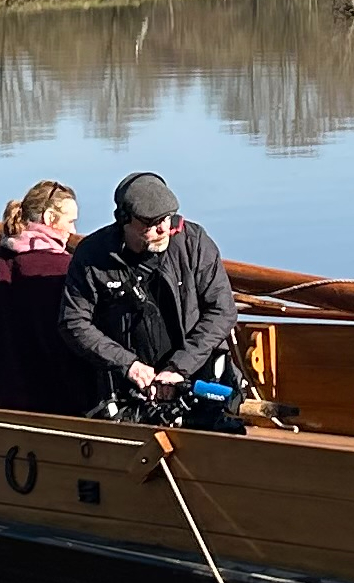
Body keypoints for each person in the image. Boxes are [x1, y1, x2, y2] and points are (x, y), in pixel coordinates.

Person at [61, 172, 241, 413]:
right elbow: (73, 321)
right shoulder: (92, 256)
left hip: (196, 379)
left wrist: (179, 368)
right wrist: (128, 365)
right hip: (126, 388)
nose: (163, 229)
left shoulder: (194, 243)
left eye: (167, 219)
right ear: (125, 219)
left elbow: (222, 311)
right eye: (151, 222)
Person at [0, 180, 105, 414]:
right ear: (49, 219)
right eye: (70, 222)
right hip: (59, 411)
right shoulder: (68, 271)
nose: (73, 231)